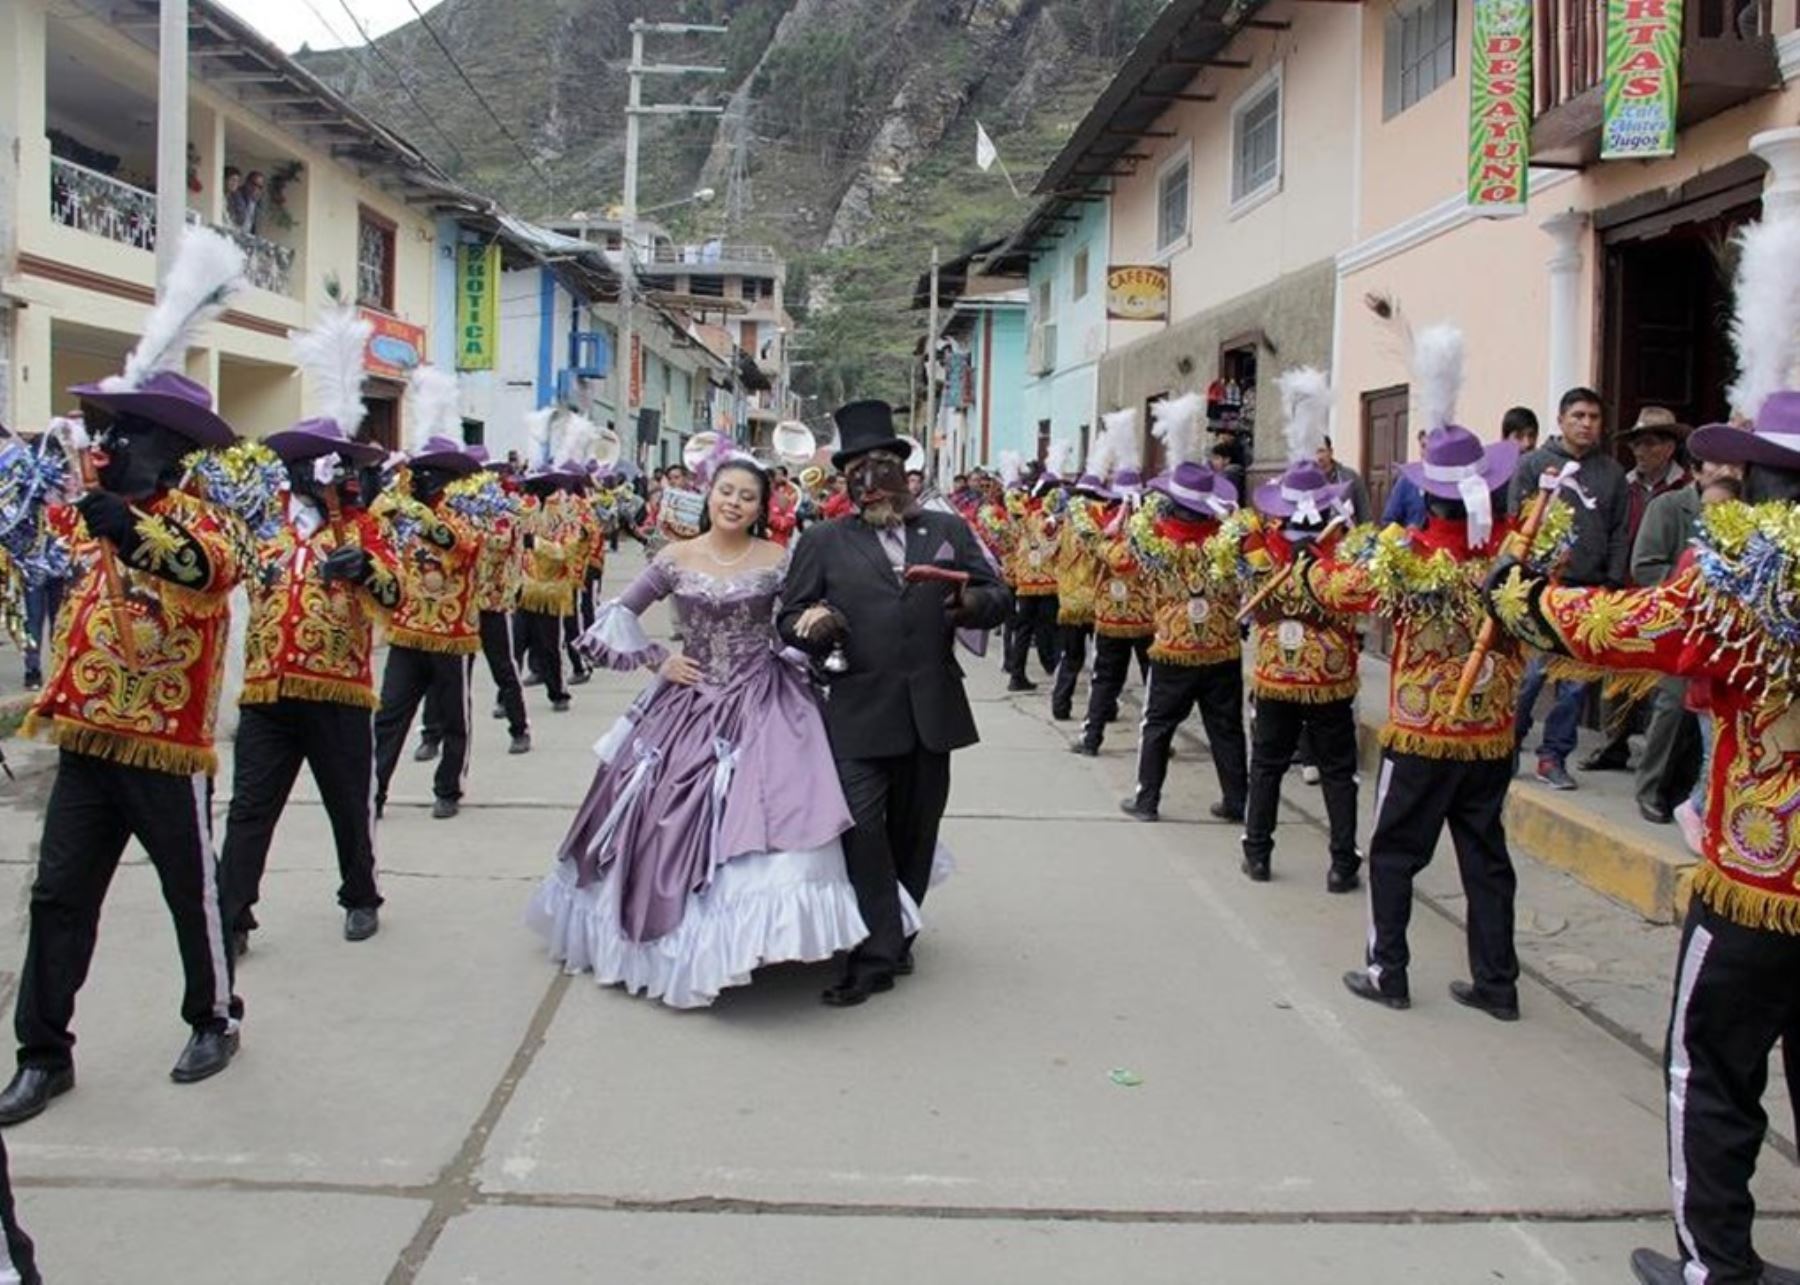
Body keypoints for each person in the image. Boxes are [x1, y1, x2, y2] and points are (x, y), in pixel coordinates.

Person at [1484, 219, 1800, 1285]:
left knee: (1710, 1067)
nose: (1718, 501)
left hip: (1764, 882)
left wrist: (1524, 598)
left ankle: (1715, 1264)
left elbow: (1613, 626)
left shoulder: (1745, 588)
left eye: (1729, 487)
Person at [1, 227, 251, 1124]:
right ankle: (42, 1050)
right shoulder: (86, 517)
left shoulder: (205, 520)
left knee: (192, 892)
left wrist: (127, 526)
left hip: (166, 750)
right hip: (84, 739)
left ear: (169, 450)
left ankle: (215, 1016)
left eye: (120, 435)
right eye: (102, 433)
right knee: (59, 893)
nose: (104, 448)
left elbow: (203, 572)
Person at [527, 455, 872, 1008]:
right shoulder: (674, 557)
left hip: (766, 697)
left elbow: (798, 616)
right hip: (689, 699)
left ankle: (768, 937)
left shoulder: (778, 558)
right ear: (709, 495)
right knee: (653, 810)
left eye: (747, 496)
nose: (733, 503)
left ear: (763, 508)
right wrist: (658, 659)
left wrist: (806, 633)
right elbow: (615, 614)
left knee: (780, 804)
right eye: (725, 491)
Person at [1310, 323, 1528, 1021]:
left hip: (1422, 730)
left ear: (1426, 495)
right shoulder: (1509, 558)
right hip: (1491, 730)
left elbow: (1338, 592)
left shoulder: (1404, 553)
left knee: (1396, 852)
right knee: (1486, 858)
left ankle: (1388, 969)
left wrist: (1323, 554)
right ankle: (1498, 983)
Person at [779, 399, 1010, 1007]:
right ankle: (875, 953)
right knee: (863, 830)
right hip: (856, 709)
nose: (872, 479)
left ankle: (896, 930)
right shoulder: (824, 541)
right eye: (859, 469)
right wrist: (815, 622)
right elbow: (787, 616)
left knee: (917, 833)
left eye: (883, 466)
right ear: (846, 483)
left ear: (905, 474)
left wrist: (969, 606)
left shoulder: (948, 529)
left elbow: (995, 592)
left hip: (931, 708)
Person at [220, 307, 400, 958]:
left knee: (347, 804)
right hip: (267, 694)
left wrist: (368, 568)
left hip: (338, 691)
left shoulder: (362, 529)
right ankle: (231, 913)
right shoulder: (263, 526)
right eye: (314, 465)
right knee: (249, 809)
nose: (327, 474)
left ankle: (360, 894)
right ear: (294, 470)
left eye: (335, 466)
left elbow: (397, 593)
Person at [1220, 368, 1362, 890]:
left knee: (1269, 765)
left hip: (1278, 669)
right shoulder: (1343, 551)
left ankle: (1258, 852)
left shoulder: (1259, 548)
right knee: (1337, 770)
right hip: (1329, 674)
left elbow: (1240, 576)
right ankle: (1343, 861)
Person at [1123, 393, 1247, 824]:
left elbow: (1133, 545)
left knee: (1157, 724)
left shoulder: (1155, 541)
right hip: (1221, 647)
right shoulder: (1229, 542)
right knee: (1226, 729)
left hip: (1174, 646)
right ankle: (1237, 800)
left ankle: (1147, 799)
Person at [371, 370, 483, 823]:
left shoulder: (465, 512)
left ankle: (448, 787)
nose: (413, 482)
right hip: (407, 631)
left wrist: (415, 513)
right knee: (389, 716)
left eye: (421, 477)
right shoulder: (400, 514)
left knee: (455, 719)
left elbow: (460, 545)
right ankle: (373, 790)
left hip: (451, 634)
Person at [1510, 386, 1629, 791]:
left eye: (1594, 418)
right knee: (1529, 678)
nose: (1586, 424)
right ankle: (1509, 743)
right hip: (1540, 591)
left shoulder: (1612, 473)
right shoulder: (1532, 465)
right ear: (1561, 420)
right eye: (1578, 416)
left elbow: (1618, 531)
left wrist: (1612, 581)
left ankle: (1553, 757)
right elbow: (1516, 521)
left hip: (1589, 591)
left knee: (1575, 686)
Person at [1581, 408, 1694, 772]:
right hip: (1625, 591)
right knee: (1617, 674)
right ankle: (1613, 743)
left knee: (1664, 684)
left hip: (1667, 595)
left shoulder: (1687, 490)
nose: (1640, 451)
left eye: (1649, 443)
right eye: (1637, 443)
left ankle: (1656, 761)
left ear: (1669, 447)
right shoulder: (1624, 486)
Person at [1629, 452, 1739, 824]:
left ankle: (1691, 795)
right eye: (1718, 463)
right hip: (1679, 621)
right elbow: (1644, 565)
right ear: (1695, 470)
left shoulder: (1744, 508)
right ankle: (1652, 788)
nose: (1726, 469)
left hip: (1724, 631)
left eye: (1733, 465)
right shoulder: (1669, 507)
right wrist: (1688, 589)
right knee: (1674, 707)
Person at [1074, 411, 1152, 757]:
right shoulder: (1153, 524)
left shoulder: (1117, 523)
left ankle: (1093, 739)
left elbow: (1109, 554)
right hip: (1143, 617)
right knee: (1148, 682)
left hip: (1118, 616)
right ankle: (1153, 741)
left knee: (1106, 679)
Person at [1048, 471, 1107, 721]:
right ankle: (1104, 709)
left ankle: (1060, 704)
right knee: (1101, 662)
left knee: (1070, 657)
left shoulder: (1065, 521)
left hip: (1070, 600)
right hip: (1097, 600)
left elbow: (1051, 555)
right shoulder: (1103, 516)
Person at [1314, 435, 1371, 525]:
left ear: (1331, 452)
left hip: (1346, 536)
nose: (1318, 457)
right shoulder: (1306, 484)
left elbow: (1365, 515)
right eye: (1314, 452)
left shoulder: (1351, 477)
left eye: (1321, 451)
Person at [1380, 430, 1431, 528]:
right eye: (1423, 446)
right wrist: (1406, 533)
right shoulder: (1407, 481)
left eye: (1432, 447)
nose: (1427, 452)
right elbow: (1388, 520)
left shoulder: (1454, 483)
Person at [228, 169, 265, 235]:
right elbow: (238, 219)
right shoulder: (236, 194)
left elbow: (255, 226)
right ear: (246, 182)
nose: (255, 188)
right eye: (254, 184)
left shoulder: (257, 202)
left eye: (260, 187)